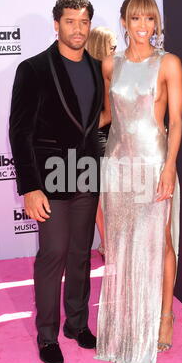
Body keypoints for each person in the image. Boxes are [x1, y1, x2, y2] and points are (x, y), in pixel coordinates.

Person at [9, 0, 104, 363]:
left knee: (81, 256)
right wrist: (30, 187)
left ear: (89, 25)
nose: (77, 29)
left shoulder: (97, 67)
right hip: (49, 180)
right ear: (56, 25)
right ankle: (47, 335)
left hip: (86, 177)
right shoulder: (33, 69)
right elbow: (20, 132)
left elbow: (92, 127)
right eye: (69, 22)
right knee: (53, 255)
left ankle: (77, 325)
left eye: (83, 22)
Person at [96, 0, 182, 363]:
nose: (144, 27)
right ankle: (127, 319)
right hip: (117, 167)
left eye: (150, 20)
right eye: (136, 20)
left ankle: (164, 316)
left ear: (156, 24)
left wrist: (169, 167)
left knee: (161, 241)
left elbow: (176, 121)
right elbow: (104, 115)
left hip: (153, 164)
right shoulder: (109, 64)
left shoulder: (168, 64)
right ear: (125, 23)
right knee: (120, 245)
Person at [86, 27, 117, 258]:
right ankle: (109, 244)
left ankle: (108, 244)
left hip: (93, 141)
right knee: (103, 197)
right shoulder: (106, 74)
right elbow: (108, 114)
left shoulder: (84, 73)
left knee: (98, 197)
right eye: (113, 47)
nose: (116, 51)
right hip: (102, 140)